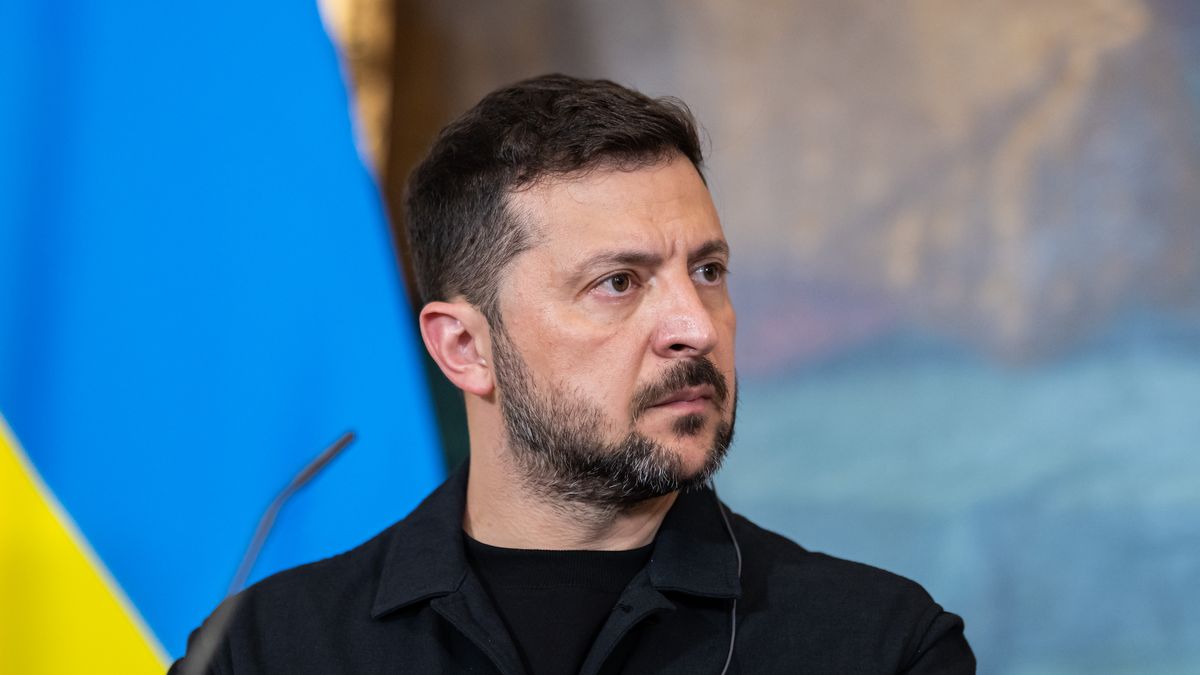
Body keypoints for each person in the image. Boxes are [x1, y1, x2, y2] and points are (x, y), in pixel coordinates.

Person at [171, 74, 975, 674]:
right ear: (464, 348)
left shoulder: (881, 646)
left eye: (708, 269)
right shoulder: (268, 652)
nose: (694, 326)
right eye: (617, 283)